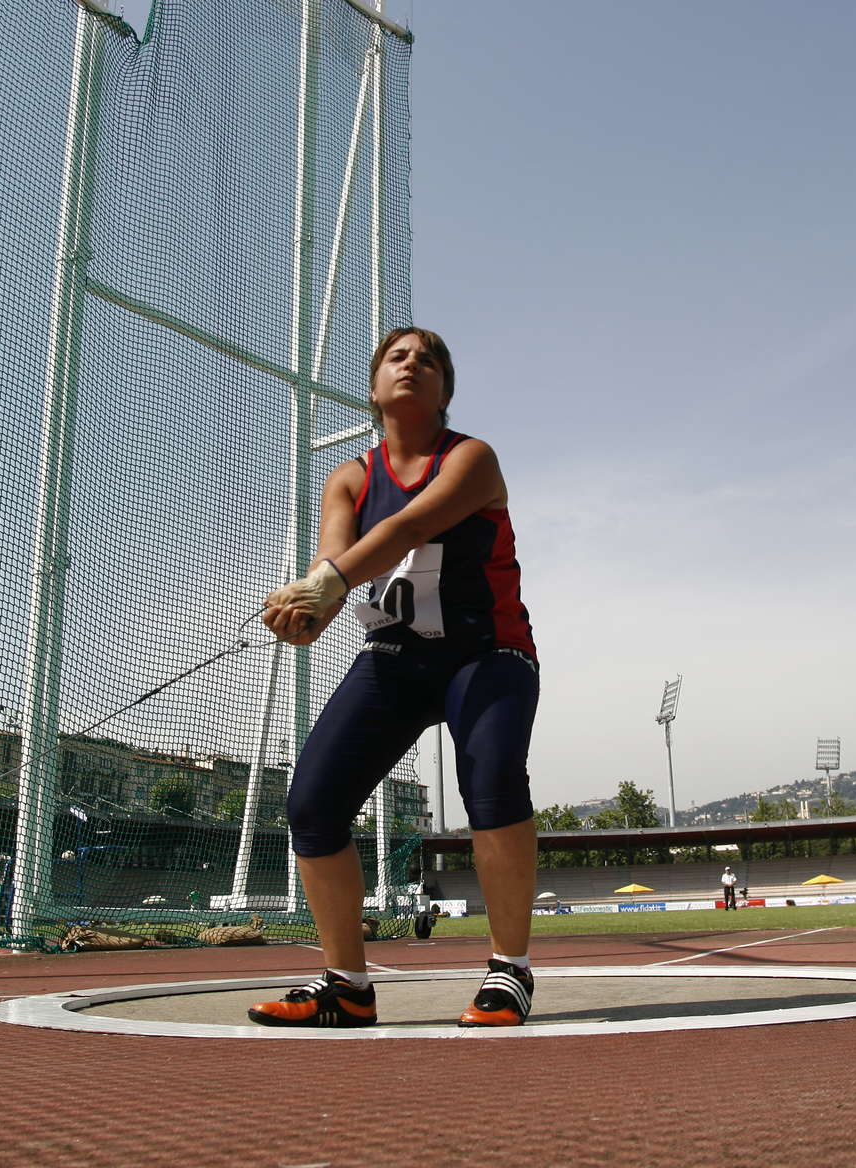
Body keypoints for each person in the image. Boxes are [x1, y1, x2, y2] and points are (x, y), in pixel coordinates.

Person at [249, 327, 541, 1028]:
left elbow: (408, 528)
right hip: (395, 658)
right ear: (375, 387)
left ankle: (510, 969)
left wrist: (325, 584)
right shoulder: (349, 478)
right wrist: (308, 613)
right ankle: (347, 987)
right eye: (397, 357)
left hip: (486, 652)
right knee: (311, 804)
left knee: (492, 777)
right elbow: (335, 561)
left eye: (428, 360)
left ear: (444, 392)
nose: (411, 365)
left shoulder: (470, 457)